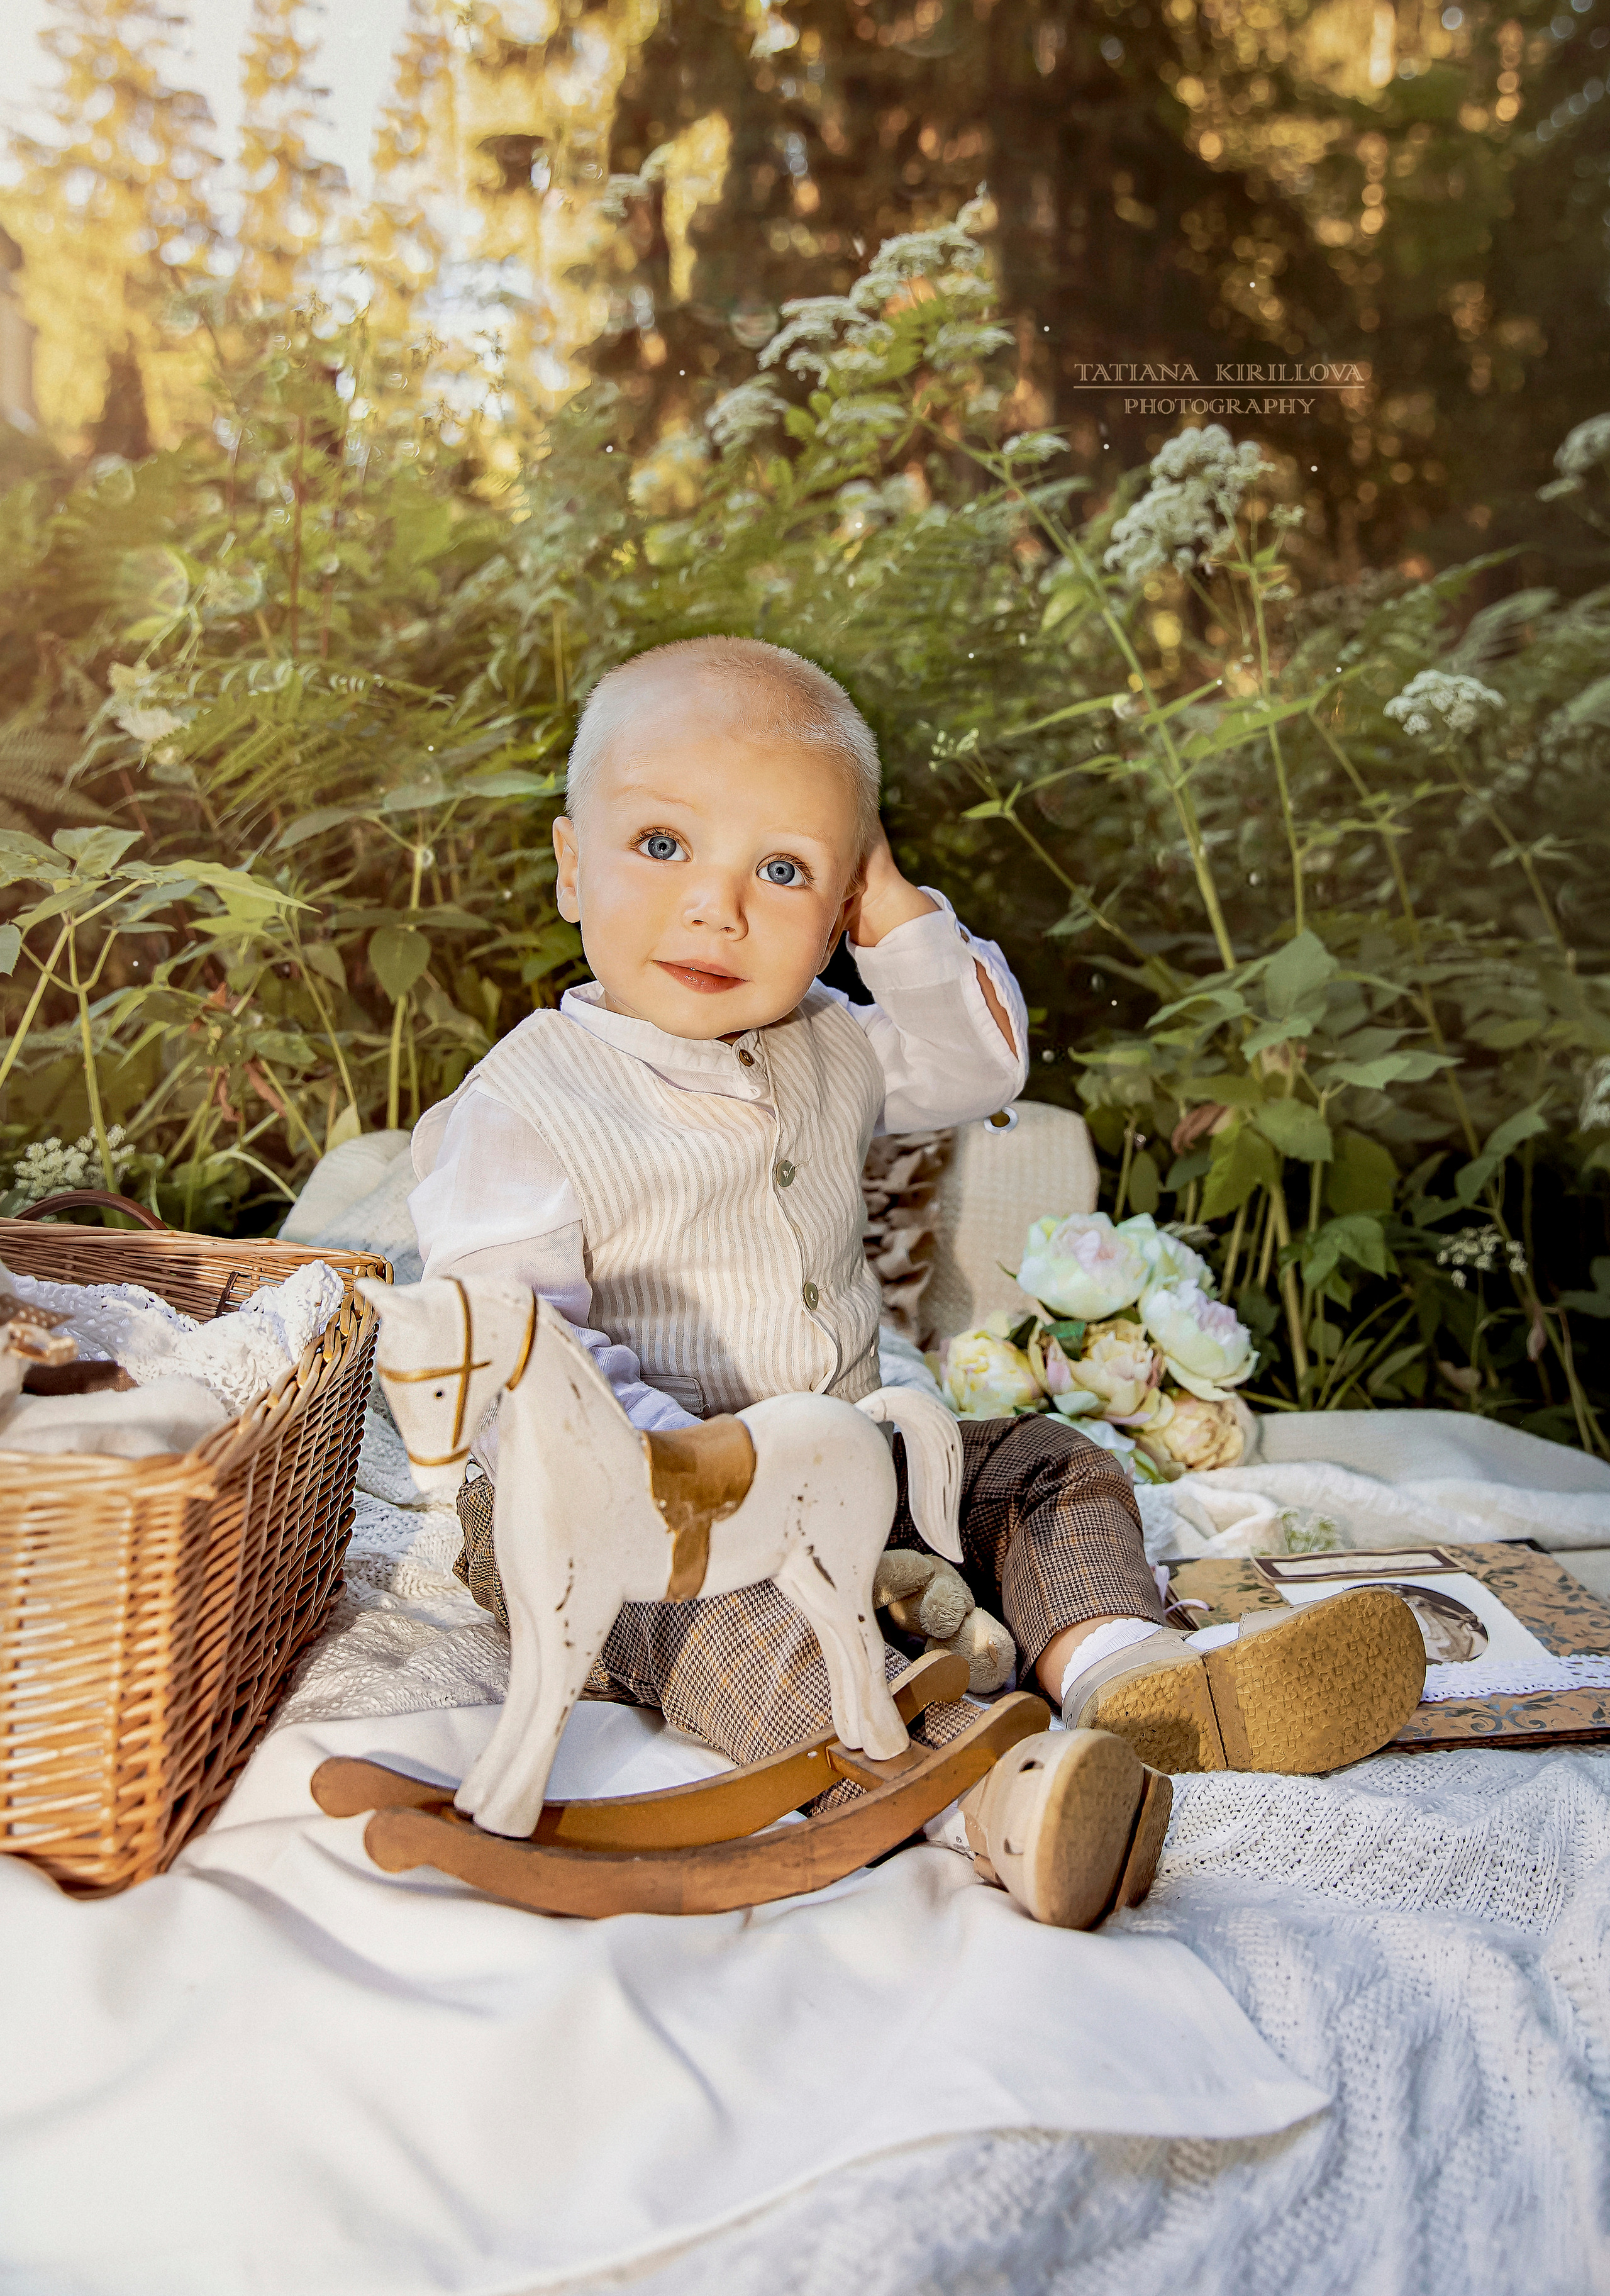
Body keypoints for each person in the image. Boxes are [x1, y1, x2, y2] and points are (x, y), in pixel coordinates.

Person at [408, 635, 1425, 1927]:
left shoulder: (832, 1041)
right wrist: (689, 1491)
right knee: (744, 1631)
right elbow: (514, 1346)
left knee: (1046, 1464)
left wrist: (886, 906)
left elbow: (978, 1064)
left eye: (780, 871)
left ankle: (1127, 1675)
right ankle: (984, 1796)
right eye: (661, 846)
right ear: (568, 867)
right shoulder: (523, 1106)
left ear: (837, 912)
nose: (716, 907)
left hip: (835, 1471)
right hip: (623, 1529)